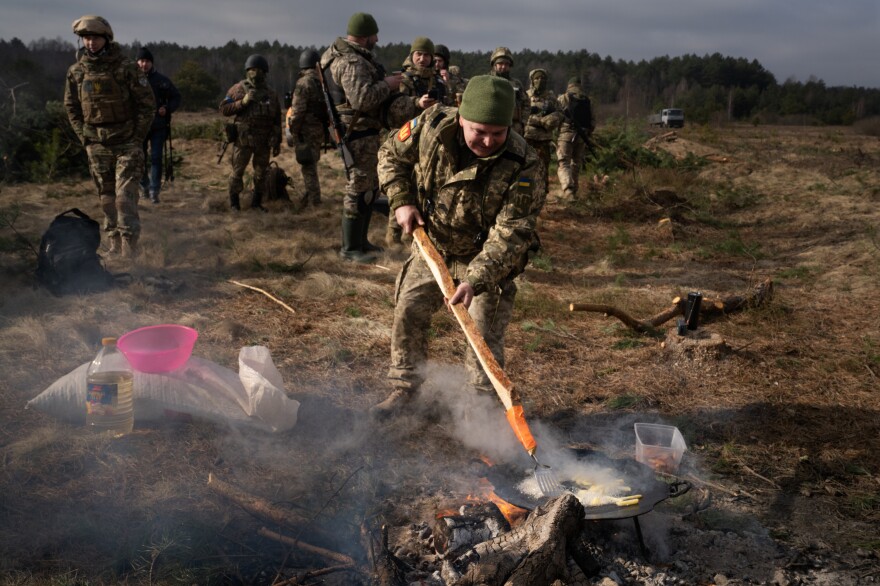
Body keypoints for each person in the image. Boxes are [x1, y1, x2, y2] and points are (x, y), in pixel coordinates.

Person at [372, 75, 546, 417]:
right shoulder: (431, 125)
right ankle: (405, 391)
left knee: (482, 336)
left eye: (498, 133)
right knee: (408, 310)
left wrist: (475, 279)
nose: (487, 141)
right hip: (432, 244)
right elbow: (390, 154)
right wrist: (402, 200)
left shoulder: (524, 164)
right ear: (461, 118)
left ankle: (479, 411)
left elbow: (511, 232)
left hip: (485, 260)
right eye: (479, 131)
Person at [64, 15, 155, 258]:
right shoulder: (76, 72)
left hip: (126, 142)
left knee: (124, 198)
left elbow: (147, 105)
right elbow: (71, 106)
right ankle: (113, 244)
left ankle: (130, 249)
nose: (90, 43)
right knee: (106, 199)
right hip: (96, 143)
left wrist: (136, 138)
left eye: (94, 38)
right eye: (85, 38)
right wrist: (84, 137)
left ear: (106, 39)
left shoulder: (126, 68)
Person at [320, 12, 403, 263]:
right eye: (374, 35)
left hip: (360, 132)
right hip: (357, 133)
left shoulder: (342, 56)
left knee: (368, 188)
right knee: (358, 187)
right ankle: (350, 249)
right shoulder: (351, 62)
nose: (377, 39)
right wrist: (388, 84)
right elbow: (363, 100)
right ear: (365, 36)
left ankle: (361, 242)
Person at [385, 36, 442, 249]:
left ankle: (414, 234)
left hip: (429, 138)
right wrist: (416, 103)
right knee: (401, 183)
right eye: (419, 54)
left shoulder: (437, 80)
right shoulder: (402, 79)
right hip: (405, 136)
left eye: (427, 55)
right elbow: (393, 107)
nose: (422, 58)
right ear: (412, 55)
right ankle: (392, 233)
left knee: (422, 185)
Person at [219, 54, 282, 212]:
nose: (255, 73)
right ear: (247, 71)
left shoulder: (271, 94)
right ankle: (234, 204)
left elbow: (276, 119)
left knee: (261, 173)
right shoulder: (238, 88)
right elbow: (224, 109)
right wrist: (242, 102)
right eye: (252, 69)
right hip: (244, 140)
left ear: (265, 72)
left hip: (264, 141)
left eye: (259, 70)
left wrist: (277, 141)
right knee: (237, 172)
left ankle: (256, 203)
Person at [135, 47, 181, 204]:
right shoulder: (131, 80)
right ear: (137, 62)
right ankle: (144, 187)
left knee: (156, 157)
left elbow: (176, 98)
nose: (144, 64)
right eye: (141, 61)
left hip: (158, 126)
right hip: (139, 126)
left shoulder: (162, 80)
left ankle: (155, 190)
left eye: (147, 61)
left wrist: (166, 109)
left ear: (151, 63)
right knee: (139, 159)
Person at [288, 48, 328, 207]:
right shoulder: (320, 82)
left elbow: (297, 111)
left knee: (308, 167)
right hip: (318, 130)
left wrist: (293, 130)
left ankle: (314, 201)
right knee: (311, 164)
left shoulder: (303, 83)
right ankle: (310, 195)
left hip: (305, 132)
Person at [556, 76, 594, 201]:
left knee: (563, 162)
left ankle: (568, 189)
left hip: (566, 134)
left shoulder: (564, 97)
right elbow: (593, 121)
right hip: (582, 136)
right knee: (576, 163)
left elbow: (556, 116)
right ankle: (574, 191)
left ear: (569, 85)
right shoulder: (587, 100)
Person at [524, 68, 563, 189]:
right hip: (526, 138)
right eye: (537, 78)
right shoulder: (525, 96)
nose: (540, 81)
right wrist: (540, 121)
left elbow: (560, 114)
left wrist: (551, 120)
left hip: (544, 140)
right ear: (532, 80)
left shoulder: (551, 98)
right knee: (525, 169)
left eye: (543, 78)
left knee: (542, 168)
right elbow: (521, 115)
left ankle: (540, 196)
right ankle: (523, 195)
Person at [488, 47, 528, 136]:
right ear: (494, 64)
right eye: (500, 63)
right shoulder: (486, 81)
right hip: (491, 126)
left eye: (506, 64)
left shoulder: (516, 84)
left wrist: (523, 122)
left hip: (513, 128)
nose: (503, 66)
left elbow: (526, 103)